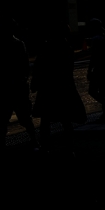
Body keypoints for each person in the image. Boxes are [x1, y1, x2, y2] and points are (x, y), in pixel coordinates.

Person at [32, 23, 86, 153]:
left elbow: (39, 66)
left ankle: (45, 145)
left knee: (46, 118)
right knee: (65, 118)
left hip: (48, 86)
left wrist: (35, 81)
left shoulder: (47, 47)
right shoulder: (67, 48)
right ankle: (68, 145)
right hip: (64, 86)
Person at [0, 19, 38, 149]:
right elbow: (25, 66)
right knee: (24, 117)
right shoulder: (19, 44)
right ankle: (34, 139)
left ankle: (2, 142)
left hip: (2, 87)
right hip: (17, 86)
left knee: (2, 118)